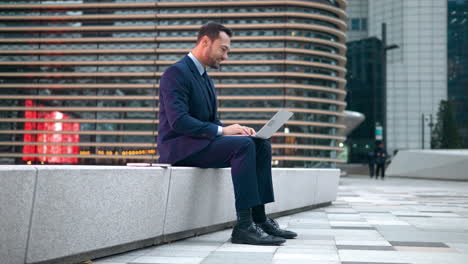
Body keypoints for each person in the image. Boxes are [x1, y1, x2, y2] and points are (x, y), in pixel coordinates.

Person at [157, 23, 297, 246]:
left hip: (199, 144)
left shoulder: (205, 78)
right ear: (205, 42)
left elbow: (210, 122)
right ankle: (244, 226)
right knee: (244, 147)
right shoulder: (176, 73)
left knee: (259, 144)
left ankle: (259, 220)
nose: (226, 56)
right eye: (223, 49)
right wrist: (223, 131)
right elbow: (179, 121)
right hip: (179, 148)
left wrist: (237, 131)